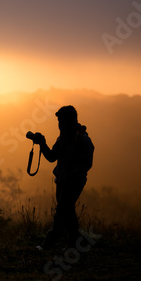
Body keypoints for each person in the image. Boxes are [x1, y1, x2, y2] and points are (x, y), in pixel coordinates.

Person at [33, 105, 94, 250]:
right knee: (68, 213)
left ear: (71, 121)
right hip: (61, 181)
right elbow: (52, 157)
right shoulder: (62, 139)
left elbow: (86, 164)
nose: (60, 124)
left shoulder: (84, 141)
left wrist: (71, 177)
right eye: (59, 121)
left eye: (62, 121)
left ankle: (48, 244)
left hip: (73, 183)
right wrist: (42, 143)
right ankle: (77, 243)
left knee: (61, 212)